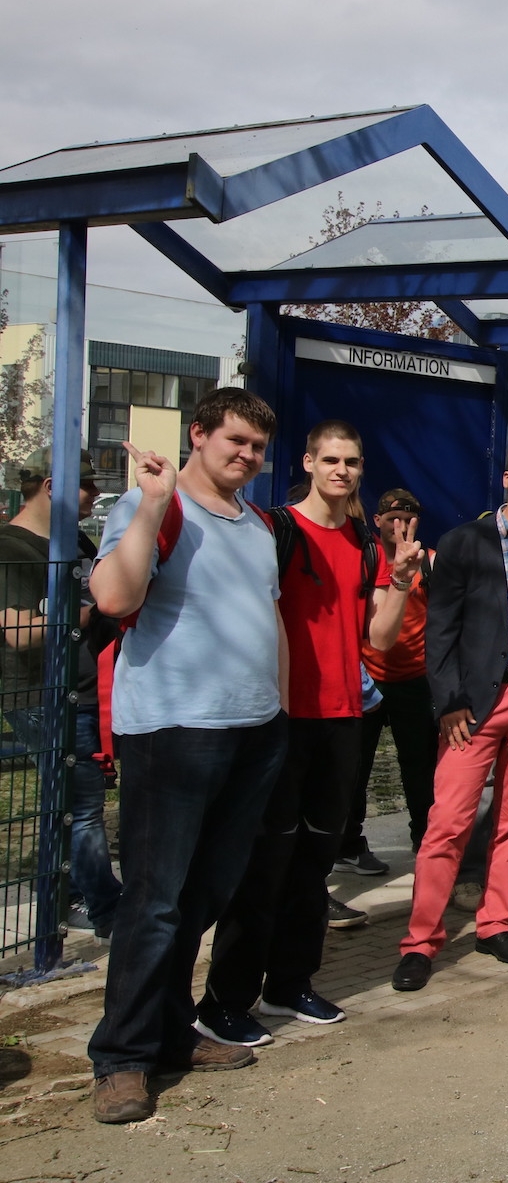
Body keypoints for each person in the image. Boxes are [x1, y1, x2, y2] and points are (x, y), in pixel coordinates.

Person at [86, 389, 288, 1124]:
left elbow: (269, 618)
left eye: (258, 447)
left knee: (203, 897)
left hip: (253, 729)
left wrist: (280, 712)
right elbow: (112, 597)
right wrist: (149, 504)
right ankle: (122, 1057)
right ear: (197, 435)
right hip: (173, 730)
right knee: (155, 901)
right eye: (235, 440)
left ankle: (171, 1030)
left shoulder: (258, 525)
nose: (247, 456)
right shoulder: (158, 509)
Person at [195, 422, 422, 1048]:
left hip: (342, 720)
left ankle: (291, 983)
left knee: (314, 865)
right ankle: (224, 1001)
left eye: (352, 461)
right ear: (309, 462)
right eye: (331, 460)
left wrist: (400, 583)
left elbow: (377, 637)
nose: (342, 471)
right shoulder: (277, 530)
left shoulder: (362, 540)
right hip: (281, 722)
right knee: (263, 866)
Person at [391, 441, 508, 992]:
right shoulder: (464, 543)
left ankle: (494, 924)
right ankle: (420, 942)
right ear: (506, 479)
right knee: (447, 823)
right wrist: (449, 701)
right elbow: (440, 632)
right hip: (474, 708)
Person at [0, 448, 118, 939]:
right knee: (82, 805)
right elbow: (18, 633)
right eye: (87, 486)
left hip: (87, 691)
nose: (94, 495)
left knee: (75, 803)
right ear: (52, 487)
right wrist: (83, 610)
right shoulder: (12, 547)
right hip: (41, 695)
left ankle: (72, 893)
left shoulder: (78, 544)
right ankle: (105, 907)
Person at [340, 489, 437, 869]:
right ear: (377, 520)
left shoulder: (430, 562)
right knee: (354, 768)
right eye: (392, 517)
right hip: (366, 679)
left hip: (415, 679)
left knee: (420, 768)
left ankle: (426, 843)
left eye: (409, 518)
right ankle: (348, 845)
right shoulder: (364, 558)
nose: (400, 524)